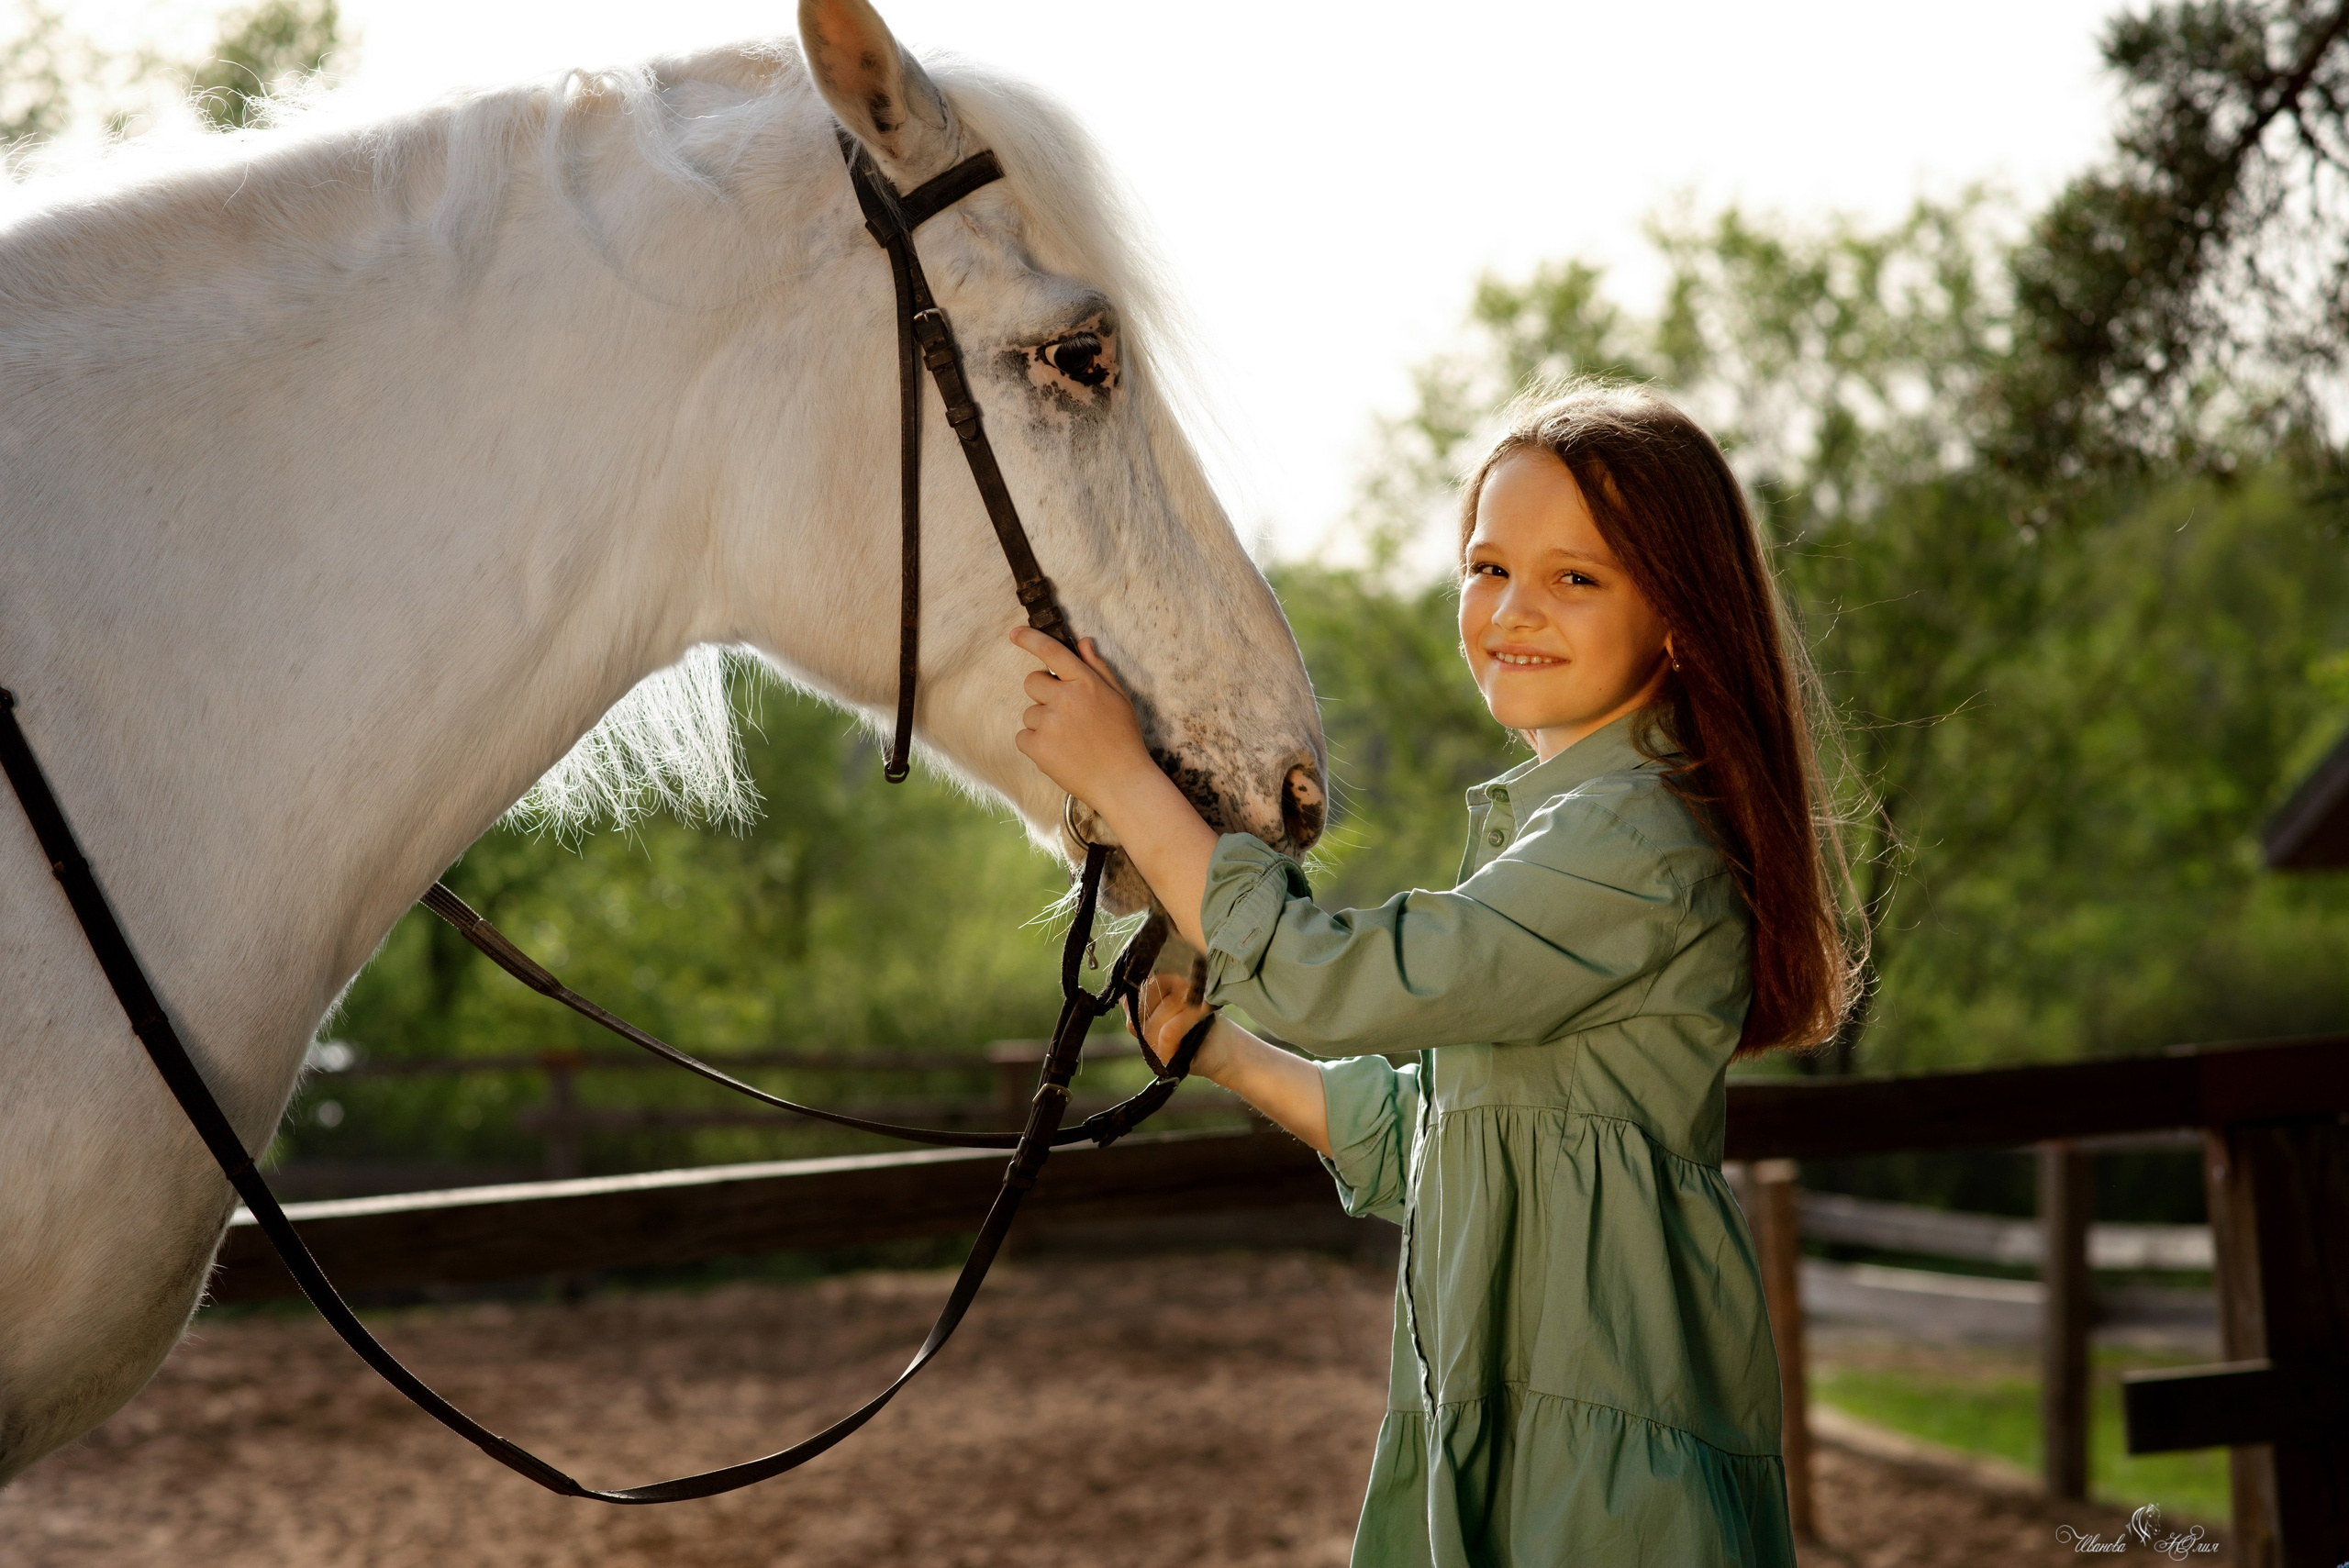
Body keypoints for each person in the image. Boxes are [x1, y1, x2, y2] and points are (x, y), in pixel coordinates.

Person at [1009, 382, 1853, 1567]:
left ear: (1677, 617)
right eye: (1487, 566)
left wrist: (1130, 782)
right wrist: (1220, 1052)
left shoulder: (1633, 844)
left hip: (1599, 1477)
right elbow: (1447, 1136)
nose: (1512, 609)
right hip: (1512, 1433)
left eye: (1576, 578)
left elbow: (1334, 978)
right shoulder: (1571, 832)